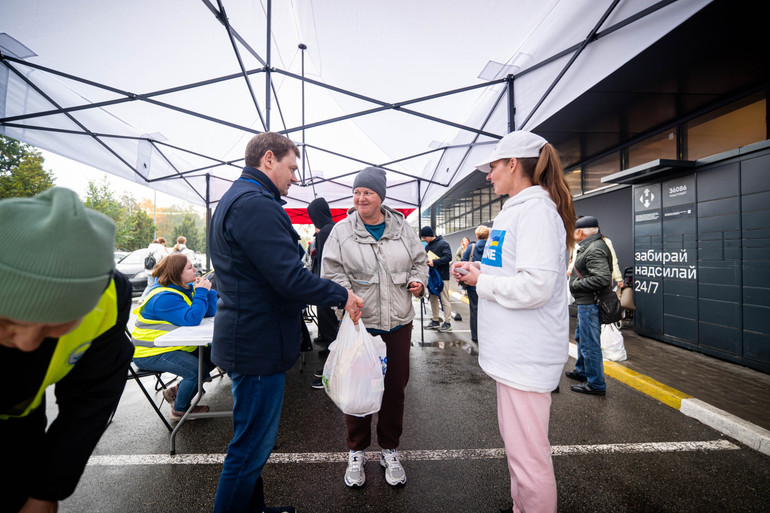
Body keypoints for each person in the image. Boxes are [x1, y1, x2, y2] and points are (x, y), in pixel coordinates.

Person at [209, 132, 363, 513]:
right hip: (257, 342)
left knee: (253, 445)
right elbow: (289, 278)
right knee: (249, 449)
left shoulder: (239, 199)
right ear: (267, 160)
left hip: (251, 336)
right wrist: (341, 294)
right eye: (292, 167)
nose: (295, 177)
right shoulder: (255, 205)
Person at [452, 130, 576, 513]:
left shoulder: (536, 212)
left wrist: (481, 281)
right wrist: (480, 269)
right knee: (521, 451)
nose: (488, 176)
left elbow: (537, 286)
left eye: (493, 167)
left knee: (529, 458)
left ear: (512, 164)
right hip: (514, 355)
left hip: (525, 355)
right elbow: (514, 271)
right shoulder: (519, 209)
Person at [0, 187, 134, 513]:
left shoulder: (110, 298)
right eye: (5, 323)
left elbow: (91, 398)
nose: (27, 343)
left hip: (18, 426)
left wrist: (47, 490)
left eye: (54, 327)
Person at [323, 166, 428, 488]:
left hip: (398, 322)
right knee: (358, 387)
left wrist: (417, 281)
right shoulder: (341, 231)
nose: (360, 198)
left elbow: (420, 262)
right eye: (356, 192)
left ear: (380, 196)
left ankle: (389, 449)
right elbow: (331, 272)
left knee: (395, 388)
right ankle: (356, 452)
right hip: (360, 323)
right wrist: (347, 295)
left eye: (367, 192)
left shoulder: (403, 228)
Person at [130, 253, 218, 421]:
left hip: (169, 346)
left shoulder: (180, 288)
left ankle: (175, 392)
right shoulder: (163, 297)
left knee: (216, 353)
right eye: (189, 267)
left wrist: (209, 292)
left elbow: (207, 313)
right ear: (177, 273)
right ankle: (179, 410)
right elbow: (192, 319)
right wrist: (200, 292)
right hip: (150, 352)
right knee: (195, 370)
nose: (195, 270)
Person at [565, 215, 612, 396]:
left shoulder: (594, 249)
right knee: (582, 339)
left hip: (589, 305)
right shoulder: (591, 245)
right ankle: (583, 371)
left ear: (581, 232)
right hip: (585, 304)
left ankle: (596, 384)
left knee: (589, 344)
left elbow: (601, 278)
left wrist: (575, 285)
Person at [307, 197, 341, 390]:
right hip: (331, 286)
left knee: (330, 328)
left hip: (326, 286)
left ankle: (331, 369)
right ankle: (331, 361)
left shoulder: (325, 231)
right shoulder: (333, 227)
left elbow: (323, 262)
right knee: (331, 327)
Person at [567, 216, 623, 289]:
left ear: (580, 232)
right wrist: (570, 270)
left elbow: (613, 261)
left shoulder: (604, 242)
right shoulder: (578, 243)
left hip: (591, 283)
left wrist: (618, 279)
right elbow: (576, 260)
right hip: (584, 281)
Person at [419, 225, 453, 332]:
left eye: (424, 237)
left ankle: (447, 322)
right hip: (432, 276)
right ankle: (435, 320)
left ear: (430, 235)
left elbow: (448, 257)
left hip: (442, 276)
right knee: (433, 298)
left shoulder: (444, 244)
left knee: (444, 299)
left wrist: (434, 262)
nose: (423, 240)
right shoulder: (427, 246)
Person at [461, 225, 490, 343]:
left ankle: (475, 336)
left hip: (473, 284)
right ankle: (486, 335)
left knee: (474, 309)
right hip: (488, 282)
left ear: (476, 235)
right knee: (488, 309)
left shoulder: (471, 247)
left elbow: (463, 261)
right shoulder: (491, 247)